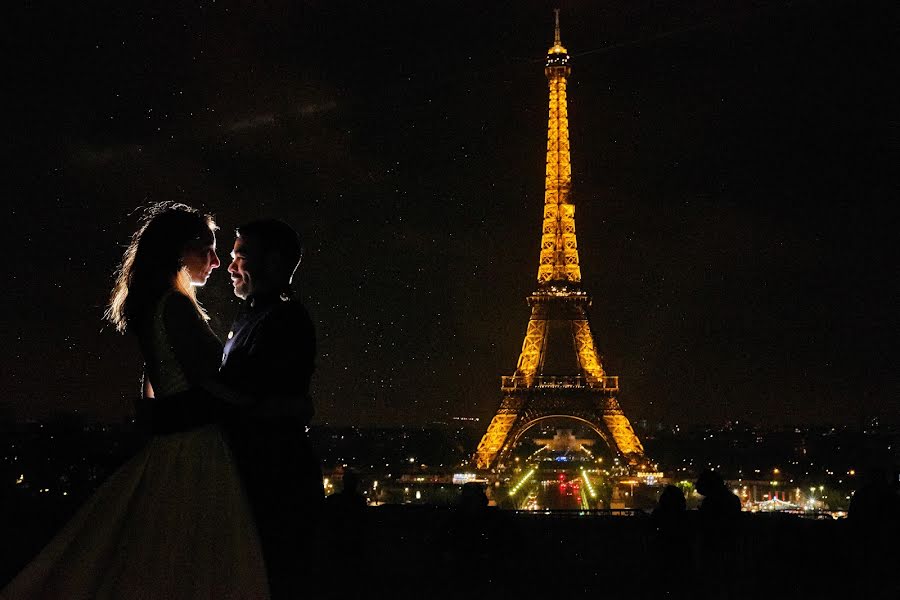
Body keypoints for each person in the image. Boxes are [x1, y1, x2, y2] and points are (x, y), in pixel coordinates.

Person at [2, 202, 269, 599]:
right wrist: (264, 406)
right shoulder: (175, 306)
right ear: (179, 250)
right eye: (207, 249)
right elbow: (210, 383)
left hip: (171, 446)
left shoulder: (156, 306)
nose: (215, 261)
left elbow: (152, 389)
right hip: (196, 450)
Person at [219, 219, 323, 599]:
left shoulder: (283, 319)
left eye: (240, 257)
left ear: (275, 262)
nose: (230, 267)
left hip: (272, 486)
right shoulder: (261, 316)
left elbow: (264, 402)